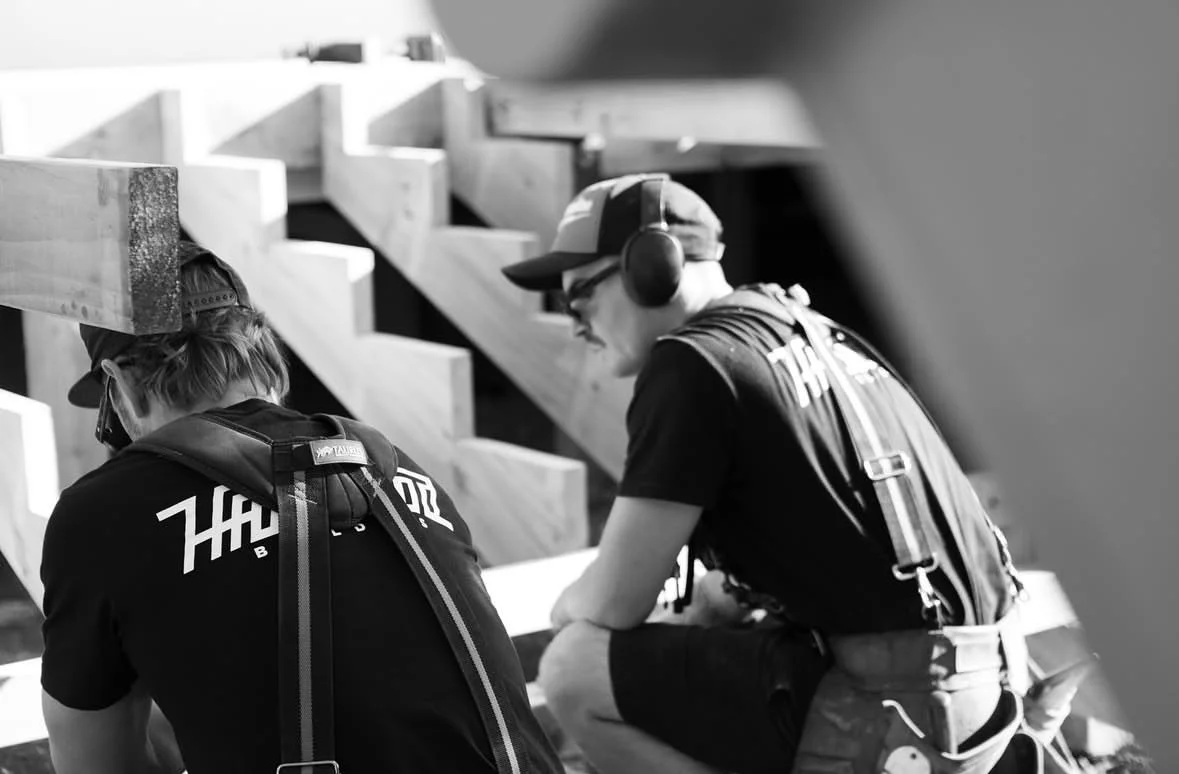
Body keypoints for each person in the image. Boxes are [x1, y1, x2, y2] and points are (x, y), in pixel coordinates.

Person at [500, 173, 1027, 774]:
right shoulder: (807, 327)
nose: (576, 325)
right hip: (985, 695)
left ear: (651, 266)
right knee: (705, 611)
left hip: (902, 714)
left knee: (573, 667)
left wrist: (565, 608)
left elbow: (614, 603)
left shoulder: (691, 365)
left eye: (580, 298)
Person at [39, 241, 563, 774]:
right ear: (260, 349)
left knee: (131, 686)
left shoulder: (105, 511)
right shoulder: (387, 462)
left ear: (120, 384)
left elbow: (94, 763)